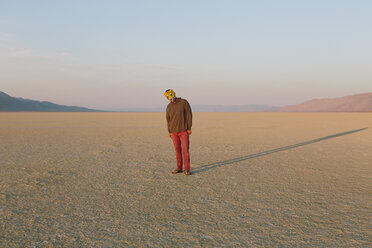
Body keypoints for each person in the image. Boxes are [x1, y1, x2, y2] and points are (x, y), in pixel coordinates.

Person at [164, 89, 192, 175]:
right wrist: (170, 131)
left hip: (183, 131)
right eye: (167, 96)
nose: (169, 98)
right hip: (174, 132)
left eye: (170, 95)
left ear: (173, 94)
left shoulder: (184, 102)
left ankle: (186, 169)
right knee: (177, 150)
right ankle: (179, 168)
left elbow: (189, 115)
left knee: (185, 150)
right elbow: (168, 120)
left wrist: (189, 127)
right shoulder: (169, 106)